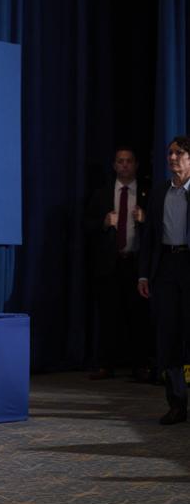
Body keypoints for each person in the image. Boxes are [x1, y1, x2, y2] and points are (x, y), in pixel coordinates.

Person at [84, 147, 150, 380]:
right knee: (108, 316)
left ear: (136, 165)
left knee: (138, 318)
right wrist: (103, 222)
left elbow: (161, 227)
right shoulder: (102, 193)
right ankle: (105, 365)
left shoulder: (147, 193)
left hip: (136, 264)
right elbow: (87, 226)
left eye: (129, 161)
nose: (124, 165)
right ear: (114, 165)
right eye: (120, 161)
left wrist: (145, 220)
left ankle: (141, 366)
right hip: (109, 264)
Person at [138, 136, 190, 425]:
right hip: (167, 267)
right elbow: (149, 238)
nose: (172, 158)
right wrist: (144, 273)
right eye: (170, 153)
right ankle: (177, 404)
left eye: (179, 153)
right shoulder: (159, 193)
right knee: (168, 335)